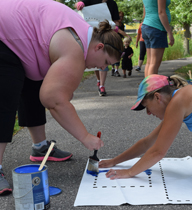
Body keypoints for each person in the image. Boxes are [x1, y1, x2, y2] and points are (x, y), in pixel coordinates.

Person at [0, 0, 119, 194]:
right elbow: (54, 100)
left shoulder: (82, 35)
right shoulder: (76, 48)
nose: (102, 68)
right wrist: (85, 137)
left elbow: (52, 91)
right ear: (98, 47)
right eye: (105, 62)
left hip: (18, 36)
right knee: (5, 94)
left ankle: (40, 147)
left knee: (36, 83)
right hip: (4, 35)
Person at [100, 75, 192, 179]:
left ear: (157, 97)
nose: (148, 113)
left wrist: (129, 172)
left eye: (147, 107)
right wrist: (114, 161)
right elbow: (147, 143)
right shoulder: (178, 101)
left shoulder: (177, 102)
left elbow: (158, 152)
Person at [76, 0, 122, 96]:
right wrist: (79, 5)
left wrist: (115, 27)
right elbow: (78, 8)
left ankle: (102, 85)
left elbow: (117, 21)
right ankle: (98, 80)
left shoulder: (112, 4)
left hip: (107, 38)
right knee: (97, 62)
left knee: (104, 62)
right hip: (92, 37)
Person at [142, 0, 174, 77]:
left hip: (147, 26)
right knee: (154, 63)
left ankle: (146, 88)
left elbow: (145, 12)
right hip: (157, 27)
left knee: (150, 62)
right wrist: (169, 32)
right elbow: (161, 12)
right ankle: (151, 88)